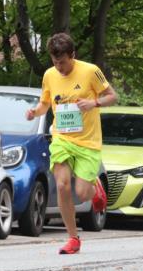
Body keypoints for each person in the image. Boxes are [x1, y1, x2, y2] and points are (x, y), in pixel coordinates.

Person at [25, 33, 117, 254]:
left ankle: (95, 188)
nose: (59, 67)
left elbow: (112, 96)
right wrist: (34, 112)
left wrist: (94, 103)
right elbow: (45, 104)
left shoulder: (90, 71)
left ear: (72, 56)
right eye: (55, 62)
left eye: (63, 62)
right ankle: (73, 238)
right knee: (63, 185)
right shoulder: (49, 75)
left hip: (88, 142)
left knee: (83, 194)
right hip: (62, 138)